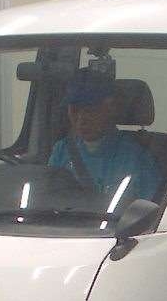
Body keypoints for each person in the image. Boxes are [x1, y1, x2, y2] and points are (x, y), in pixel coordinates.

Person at [48, 68, 161, 202]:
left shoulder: (136, 158)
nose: (81, 119)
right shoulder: (62, 150)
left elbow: (151, 209)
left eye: (89, 110)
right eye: (75, 110)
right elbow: (47, 199)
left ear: (110, 108)